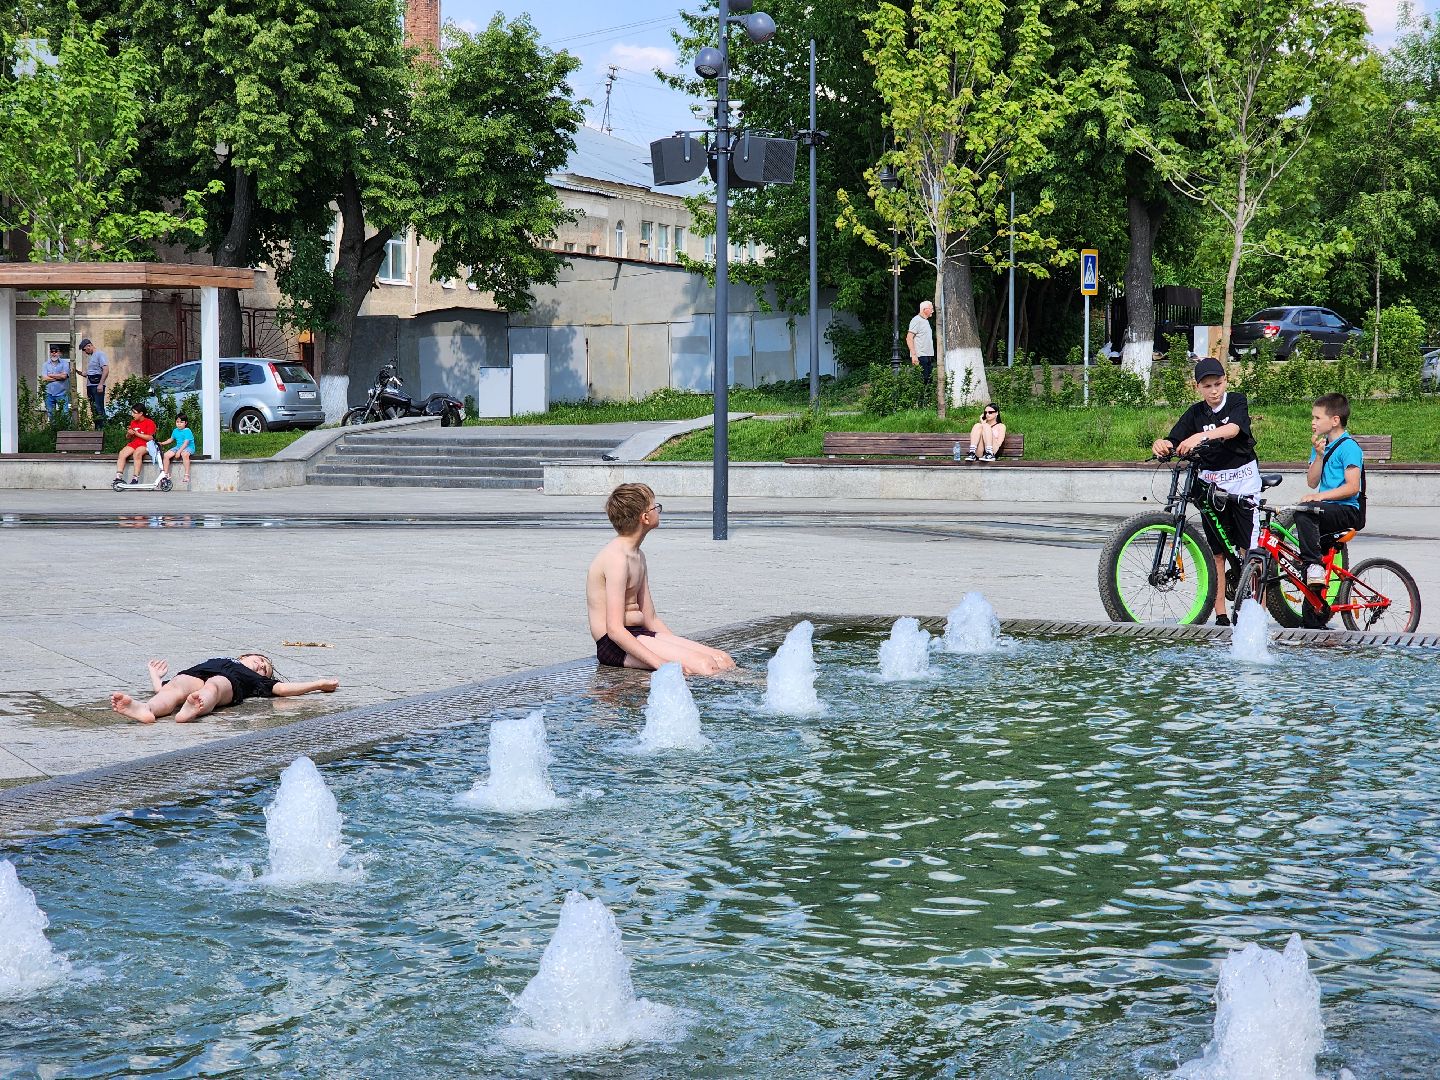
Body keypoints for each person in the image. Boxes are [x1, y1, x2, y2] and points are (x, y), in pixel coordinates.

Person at [1151, 356, 1260, 627]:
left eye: (1218, 383)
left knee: (1248, 548)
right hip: (1211, 486)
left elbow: (1234, 429)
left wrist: (1199, 437)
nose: (1214, 390)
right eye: (1207, 386)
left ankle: (1253, 609)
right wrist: (1162, 444)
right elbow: (1175, 439)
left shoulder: (1236, 401)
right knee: (1217, 552)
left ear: (1226, 381)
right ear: (1197, 387)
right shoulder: (1194, 413)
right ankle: (1220, 612)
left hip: (1242, 481)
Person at [586, 482, 736, 676]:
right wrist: (661, 663)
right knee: (704, 666)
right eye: (655, 507)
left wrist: (682, 650)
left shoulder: (637, 556)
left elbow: (651, 618)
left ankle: (757, 689)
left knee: (721, 658)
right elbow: (614, 629)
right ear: (645, 517)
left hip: (640, 634)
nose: (659, 510)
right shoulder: (616, 559)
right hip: (614, 643)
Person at [111, 654, 339, 724]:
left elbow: (282, 689)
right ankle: (146, 709)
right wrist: (156, 677)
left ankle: (195, 706)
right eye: (260, 660)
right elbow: (164, 688)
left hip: (230, 682)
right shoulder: (224, 658)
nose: (260, 666)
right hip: (195, 674)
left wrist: (318, 684)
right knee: (175, 687)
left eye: (265, 669)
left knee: (215, 686)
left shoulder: (251, 678)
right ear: (244, 656)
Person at [1296, 392, 1364, 627]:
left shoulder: (1349, 447)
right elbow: (1312, 482)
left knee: (1304, 511)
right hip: (1325, 509)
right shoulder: (1320, 446)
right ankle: (1315, 617)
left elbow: (1352, 487)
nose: (1312, 422)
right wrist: (1320, 456)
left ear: (1334, 420)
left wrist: (1318, 498)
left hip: (1345, 510)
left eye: (1317, 417)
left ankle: (1312, 565)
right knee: (1311, 613)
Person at [115, 404, 158, 484]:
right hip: (135, 443)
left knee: (137, 453)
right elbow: (128, 437)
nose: (132, 415)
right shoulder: (133, 422)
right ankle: (118, 477)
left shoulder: (149, 422)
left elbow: (150, 438)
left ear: (141, 413)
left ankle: (135, 478)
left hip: (146, 444)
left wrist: (137, 434)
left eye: (134, 413)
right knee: (122, 453)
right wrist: (129, 433)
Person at [79, 338, 109, 430]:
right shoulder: (92, 357)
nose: (85, 352)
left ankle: (102, 429)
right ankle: (97, 428)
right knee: (93, 408)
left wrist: (101, 384)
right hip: (90, 385)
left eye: (85, 349)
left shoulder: (100, 354)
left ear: (89, 345)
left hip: (97, 385)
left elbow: (106, 369)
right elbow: (93, 371)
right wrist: (82, 373)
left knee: (99, 407)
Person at [906, 300, 936, 388]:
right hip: (920, 356)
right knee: (923, 381)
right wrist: (914, 355)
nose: (933, 311)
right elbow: (909, 337)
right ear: (924, 309)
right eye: (931, 309)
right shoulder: (916, 320)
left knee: (928, 381)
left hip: (928, 356)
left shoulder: (925, 321)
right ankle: (920, 401)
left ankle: (927, 401)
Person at [159, 414, 196, 483]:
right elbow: (170, 439)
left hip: (189, 447)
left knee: (184, 454)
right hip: (178, 447)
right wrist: (162, 443)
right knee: (166, 455)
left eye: (181, 422)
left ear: (185, 423)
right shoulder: (175, 430)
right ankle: (166, 474)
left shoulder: (187, 431)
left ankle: (186, 475)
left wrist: (179, 452)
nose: (179, 424)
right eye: (177, 422)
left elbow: (186, 443)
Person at [41, 344, 70, 422]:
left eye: (56, 351)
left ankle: (66, 433)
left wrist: (50, 375)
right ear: (50, 353)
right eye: (52, 351)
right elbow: (44, 378)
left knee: (65, 414)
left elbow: (64, 376)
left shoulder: (65, 363)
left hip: (62, 393)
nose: (54, 353)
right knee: (51, 415)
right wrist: (58, 377)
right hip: (49, 394)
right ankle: (53, 432)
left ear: (59, 353)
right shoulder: (45, 364)